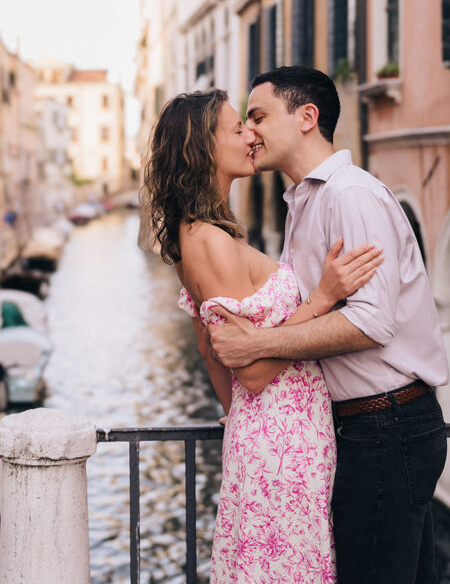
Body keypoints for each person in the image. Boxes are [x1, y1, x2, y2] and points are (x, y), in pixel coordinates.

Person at [207, 66, 450, 583]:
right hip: (368, 427)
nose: (250, 131)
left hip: (387, 425)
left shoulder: (348, 195)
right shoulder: (307, 200)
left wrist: (257, 346)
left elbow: (371, 322)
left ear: (306, 118)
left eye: (259, 116)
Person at [141, 88, 383, 582]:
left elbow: (214, 354)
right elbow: (250, 372)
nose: (251, 134)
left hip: (276, 439)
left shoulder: (209, 232)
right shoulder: (210, 241)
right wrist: (322, 297)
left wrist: (245, 424)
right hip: (281, 444)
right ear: (202, 149)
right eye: (237, 129)